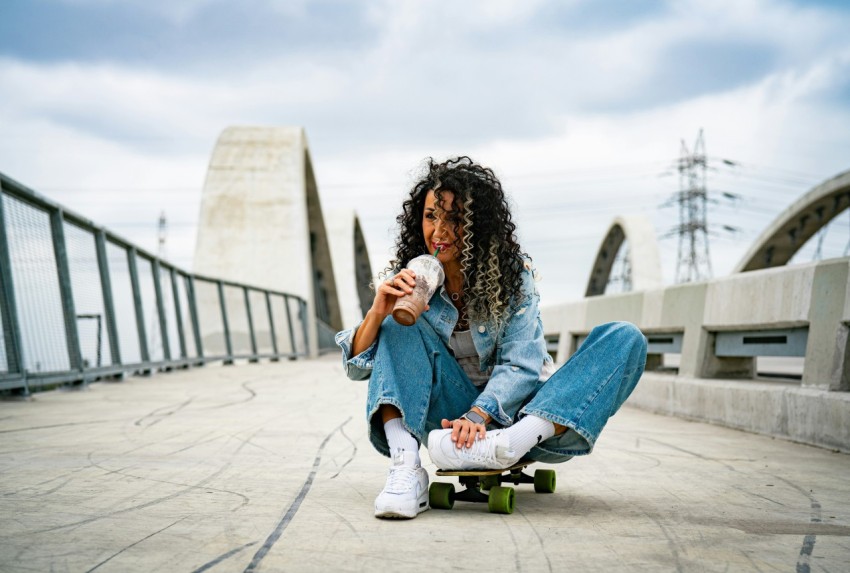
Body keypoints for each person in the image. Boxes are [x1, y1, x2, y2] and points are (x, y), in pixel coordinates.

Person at [335, 156, 647, 519]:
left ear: (479, 225)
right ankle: (406, 468)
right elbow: (358, 370)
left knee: (625, 338)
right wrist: (378, 310)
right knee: (396, 324)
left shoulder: (514, 280)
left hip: (521, 419)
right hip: (451, 428)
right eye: (432, 216)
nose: (440, 232)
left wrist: (480, 415)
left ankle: (509, 446)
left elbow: (522, 364)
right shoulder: (409, 280)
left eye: (455, 219)